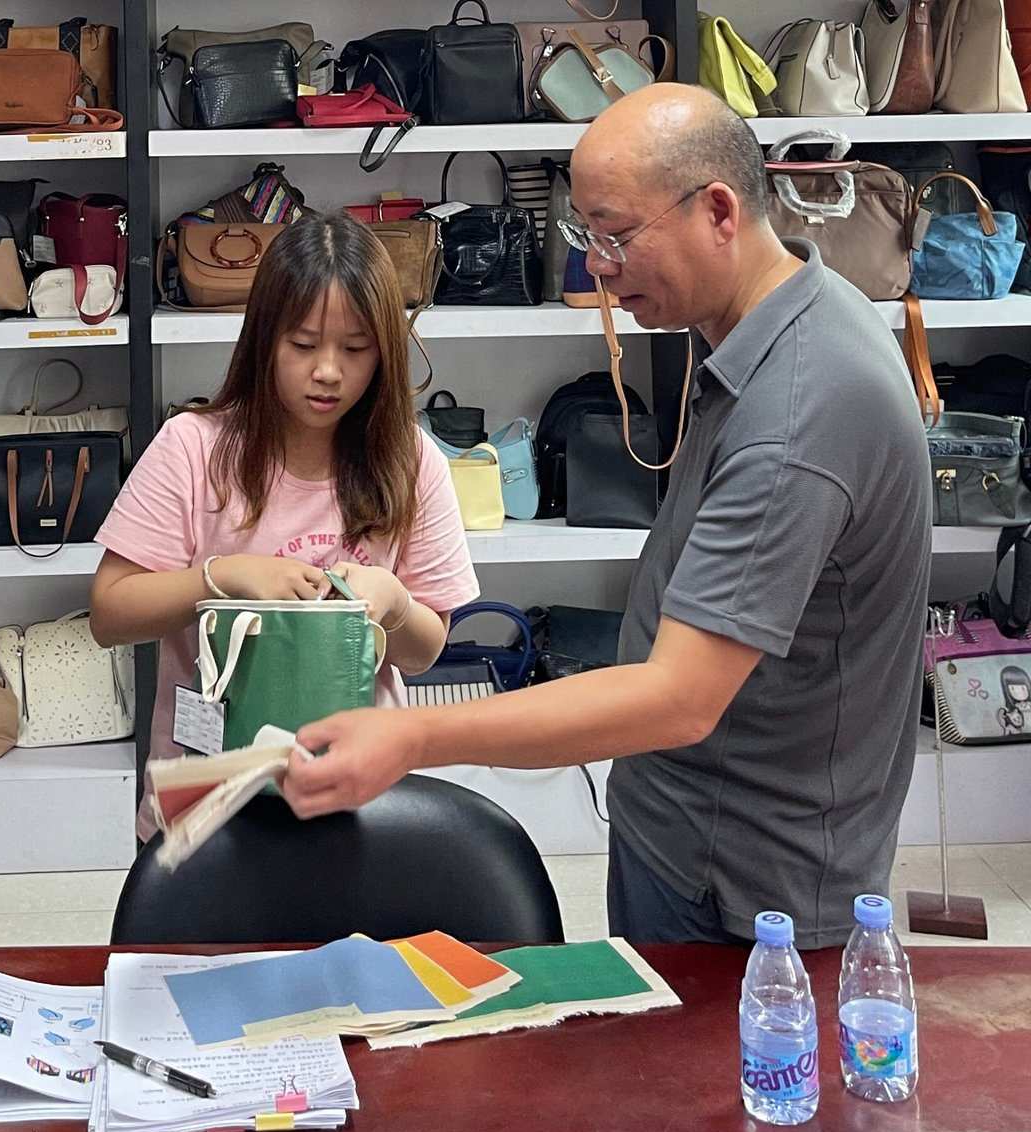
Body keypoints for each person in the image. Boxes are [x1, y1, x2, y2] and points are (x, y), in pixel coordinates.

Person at [283, 84, 932, 950]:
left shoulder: (800, 410)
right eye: (584, 234)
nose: (596, 265)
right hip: (696, 830)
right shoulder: (780, 318)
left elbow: (677, 699)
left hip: (744, 881)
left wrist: (410, 736)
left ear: (719, 211)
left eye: (617, 235)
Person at [89, 212, 479, 835]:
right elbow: (110, 615)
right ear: (262, 339)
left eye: (355, 349)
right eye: (302, 345)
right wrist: (222, 578)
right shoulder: (192, 448)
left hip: (360, 789)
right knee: (197, 933)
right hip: (209, 794)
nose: (328, 371)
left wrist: (398, 605)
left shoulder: (411, 459)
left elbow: (427, 651)